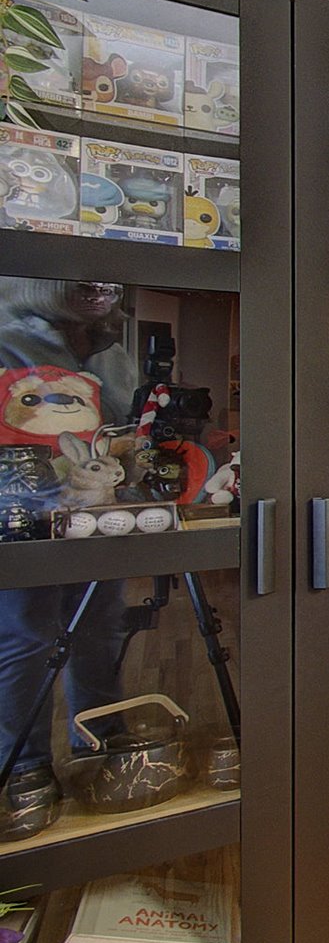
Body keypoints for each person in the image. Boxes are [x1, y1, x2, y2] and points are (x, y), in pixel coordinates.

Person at [0, 279, 136, 837]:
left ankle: (102, 741)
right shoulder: (8, 337)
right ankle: (25, 766)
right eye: (85, 280)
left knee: (100, 628)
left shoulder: (111, 347)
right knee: (26, 636)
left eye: (108, 282)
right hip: (22, 517)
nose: (100, 290)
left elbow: (124, 430)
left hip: (98, 513)